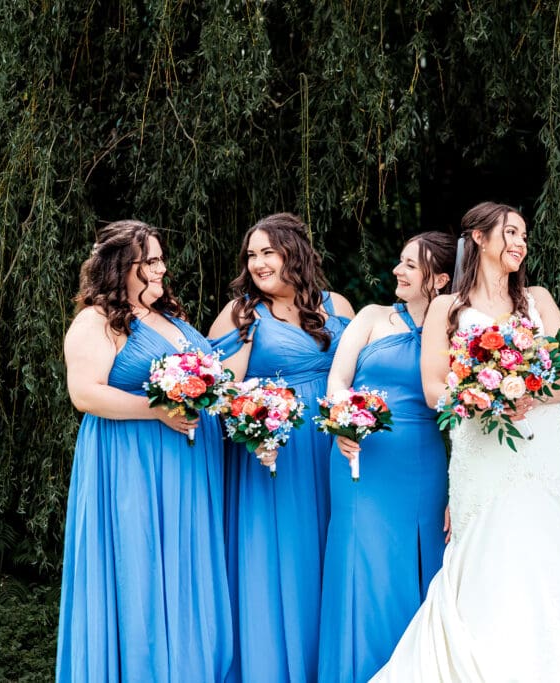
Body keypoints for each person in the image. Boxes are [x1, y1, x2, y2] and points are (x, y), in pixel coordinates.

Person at [371, 202, 560, 682]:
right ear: (478, 237)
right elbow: (434, 390)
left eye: (524, 236)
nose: (520, 243)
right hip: (482, 446)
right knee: (487, 553)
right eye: (511, 232)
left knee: (550, 548)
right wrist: (486, 399)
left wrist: (526, 395)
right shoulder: (446, 308)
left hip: (544, 442)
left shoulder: (539, 300)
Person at [57, 220, 233, 681]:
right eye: (150, 261)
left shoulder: (169, 317)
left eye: (160, 259)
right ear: (121, 266)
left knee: (186, 571)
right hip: (131, 463)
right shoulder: (96, 321)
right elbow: (85, 394)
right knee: (141, 569)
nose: (161, 269)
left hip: (188, 465)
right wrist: (156, 411)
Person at [209, 212, 354, 682]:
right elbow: (219, 390)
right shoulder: (242, 313)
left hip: (333, 448)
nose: (258, 263)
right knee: (283, 559)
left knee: (335, 552)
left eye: (268, 252)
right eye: (252, 255)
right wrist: (253, 429)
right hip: (274, 451)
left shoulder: (336, 305)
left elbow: (361, 374)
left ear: (294, 252)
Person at [318, 231, 455, 683]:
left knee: (420, 564)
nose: (398, 270)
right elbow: (338, 379)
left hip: (424, 465)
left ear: (439, 280)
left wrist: (460, 486)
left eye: (411, 265)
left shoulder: (456, 330)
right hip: (362, 459)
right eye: (400, 261)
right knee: (362, 566)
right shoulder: (372, 316)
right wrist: (343, 421)